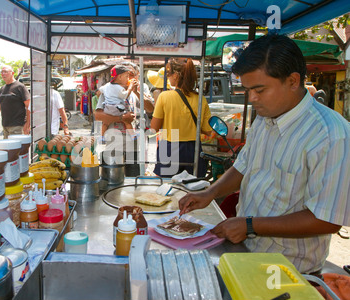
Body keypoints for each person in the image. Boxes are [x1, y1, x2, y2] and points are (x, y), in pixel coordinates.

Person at [178, 34, 349, 274]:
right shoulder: (264, 119)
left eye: (259, 89)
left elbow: (327, 219)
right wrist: (210, 193)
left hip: (289, 271)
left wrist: (250, 225)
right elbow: (244, 166)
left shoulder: (331, 135)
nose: (252, 98)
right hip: (246, 254)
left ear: (292, 81)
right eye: (248, 90)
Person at [150, 58, 212, 178]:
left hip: (168, 146)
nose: (168, 77)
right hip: (193, 148)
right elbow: (207, 130)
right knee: (192, 188)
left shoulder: (164, 96)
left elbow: (154, 128)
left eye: (169, 74)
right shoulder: (200, 99)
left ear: (176, 76)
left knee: (167, 189)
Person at [0, 65, 31, 138]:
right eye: (2, 72)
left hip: (18, 126)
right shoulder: (2, 89)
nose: (3, 74)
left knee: (17, 149)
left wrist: (27, 124)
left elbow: (29, 106)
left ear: (12, 73)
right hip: (5, 127)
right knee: (7, 149)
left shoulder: (20, 87)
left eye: (5, 72)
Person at [98, 65, 136, 135]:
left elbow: (100, 90)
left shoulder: (107, 86)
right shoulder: (119, 88)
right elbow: (125, 95)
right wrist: (130, 87)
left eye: (131, 75)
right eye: (127, 76)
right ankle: (133, 136)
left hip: (108, 108)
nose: (129, 79)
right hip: (117, 108)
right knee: (127, 122)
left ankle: (102, 137)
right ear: (120, 77)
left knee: (105, 124)